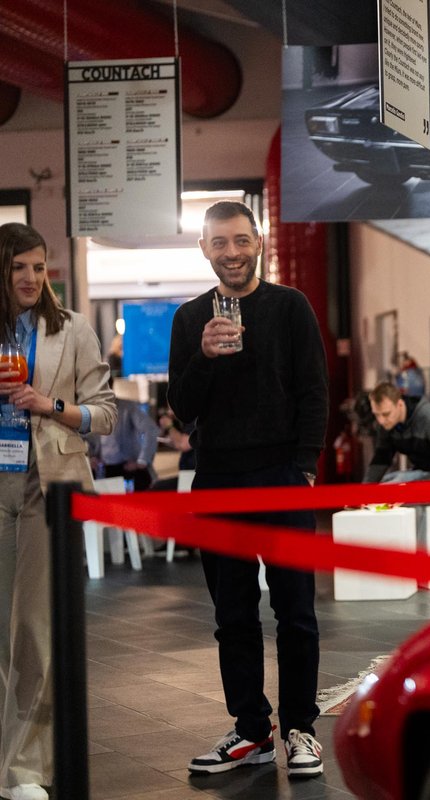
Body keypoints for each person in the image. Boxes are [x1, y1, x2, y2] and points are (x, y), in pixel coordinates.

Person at [167, 201, 329, 779]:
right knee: (232, 614)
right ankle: (252, 729)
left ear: (258, 241)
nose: (231, 253)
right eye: (219, 243)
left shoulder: (290, 306)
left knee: (296, 612)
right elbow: (182, 406)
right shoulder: (190, 318)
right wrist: (204, 356)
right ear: (204, 249)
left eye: (240, 240)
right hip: (217, 480)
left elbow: (314, 390)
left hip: (282, 476)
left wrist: (304, 469)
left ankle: (301, 729)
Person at [0, 222, 116, 800]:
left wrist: (50, 404)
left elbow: (105, 413)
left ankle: (23, 769)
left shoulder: (71, 328)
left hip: (45, 486)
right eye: (18, 267)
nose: (30, 278)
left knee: (33, 630)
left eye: (39, 266)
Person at [364, 382, 430, 483]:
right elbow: (381, 460)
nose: (381, 421)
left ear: (400, 404)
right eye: (376, 415)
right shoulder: (386, 424)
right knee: (383, 484)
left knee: (394, 486)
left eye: (386, 414)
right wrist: (365, 490)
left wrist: (413, 487)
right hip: (421, 471)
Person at [98, 382, 159, 490]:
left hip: (128, 465)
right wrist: (91, 457)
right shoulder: (89, 410)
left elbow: (150, 429)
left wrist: (142, 460)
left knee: (142, 495)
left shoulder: (127, 407)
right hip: (104, 468)